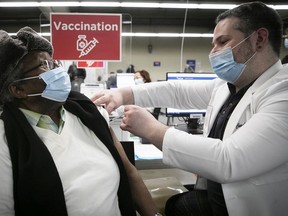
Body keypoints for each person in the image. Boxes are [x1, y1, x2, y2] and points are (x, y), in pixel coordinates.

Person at [92, 2, 288, 216]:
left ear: (259, 39)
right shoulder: (229, 85)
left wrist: (153, 130)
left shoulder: (282, 92)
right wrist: (123, 94)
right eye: (214, 43)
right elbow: (177, 91)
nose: (213, 52)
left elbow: (230, 160)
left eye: (223, 41)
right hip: (213, 197)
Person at [0, 26, 159, 216]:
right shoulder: (5, 140)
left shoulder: (89, 114)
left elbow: (129, 173)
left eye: (54, 62)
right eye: (45, 65)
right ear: (18, 89)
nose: (57, 70)